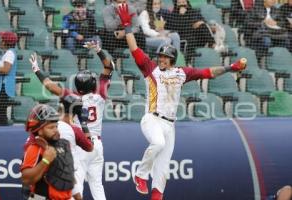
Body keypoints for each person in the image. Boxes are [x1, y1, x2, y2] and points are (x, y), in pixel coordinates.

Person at [116, 4, 247, 200]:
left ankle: (156, 196)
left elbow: (208, 73)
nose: (161, 59)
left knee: (162, 169)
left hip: (170, 124)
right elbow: (134, 48)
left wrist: (230, 68)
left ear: (172, 59)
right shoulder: (150, 69)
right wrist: (127, 25)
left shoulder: (181, 73)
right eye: (160, 56)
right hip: (152, 118)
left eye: (165, 57)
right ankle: (140, 175)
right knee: (158, 143)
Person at [29, 41, 114, 200]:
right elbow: (109, 68)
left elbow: (50, 86)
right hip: (97, 144)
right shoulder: (100, 94)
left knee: (77, 183)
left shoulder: (72, 97)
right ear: (93, 83)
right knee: (97, 184)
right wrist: (99, 50)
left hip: (81, 143)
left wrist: (37, 69)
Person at [21, 104, 74, 200]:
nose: (56, 130)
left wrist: (76, 194)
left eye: (56, 126)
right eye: (51, 128)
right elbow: (26, 179)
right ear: (40, 130)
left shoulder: (64, 144)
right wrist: (45, 160)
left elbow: (67, 175)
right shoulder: (34, 148)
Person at [58, 94, 94, 200]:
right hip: (69, 173)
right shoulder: (73, 129)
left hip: (48, 174)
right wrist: (83, 123)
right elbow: (89, 147)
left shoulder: (47, 125)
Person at [0, 31, 18, 125]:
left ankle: (4, 133)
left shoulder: (10, 53)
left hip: (3, 88)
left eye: (1, 39)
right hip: (0, 87)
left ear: (4, 42)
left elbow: (6, 70)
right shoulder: (5, 53)